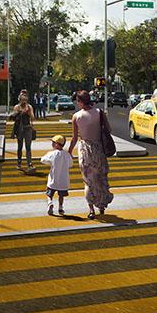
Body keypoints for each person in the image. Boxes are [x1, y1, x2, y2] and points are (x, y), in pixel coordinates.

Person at [67, 90, 113, 219]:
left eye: (78, 101)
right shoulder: (99, 113)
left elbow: (74, 138)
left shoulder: (76, 116)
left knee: (88, 181)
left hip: (85, 150)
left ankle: (91, 210)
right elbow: (109, 130)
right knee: (100, 178)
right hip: (99, 149)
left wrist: (69, 151)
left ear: (80, 102)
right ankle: (102, 206)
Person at [40, 135, 73, 216]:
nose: (52, 144)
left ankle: (50, 203)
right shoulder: (67, 154)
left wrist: (50, 162)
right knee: (61, 196)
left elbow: (43, 160)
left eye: (53, 143)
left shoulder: (52, 153)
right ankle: (60, 208)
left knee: (49, 194)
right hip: (63, 181)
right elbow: (70, 164)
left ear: (57, 144)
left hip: (53, 180)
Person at [10, 91, 36, 171]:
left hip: (27, 128)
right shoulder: (17, 107)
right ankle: (19, 163)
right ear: (19, 99)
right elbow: (13, 118)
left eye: (25, 99)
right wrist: (16, 113)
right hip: (19, 129)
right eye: (22, 99)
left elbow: (33, 118)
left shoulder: (29, 107)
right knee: (19, 147)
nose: (23, 101)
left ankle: (29, 163)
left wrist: (29, 113)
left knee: (28, 147)